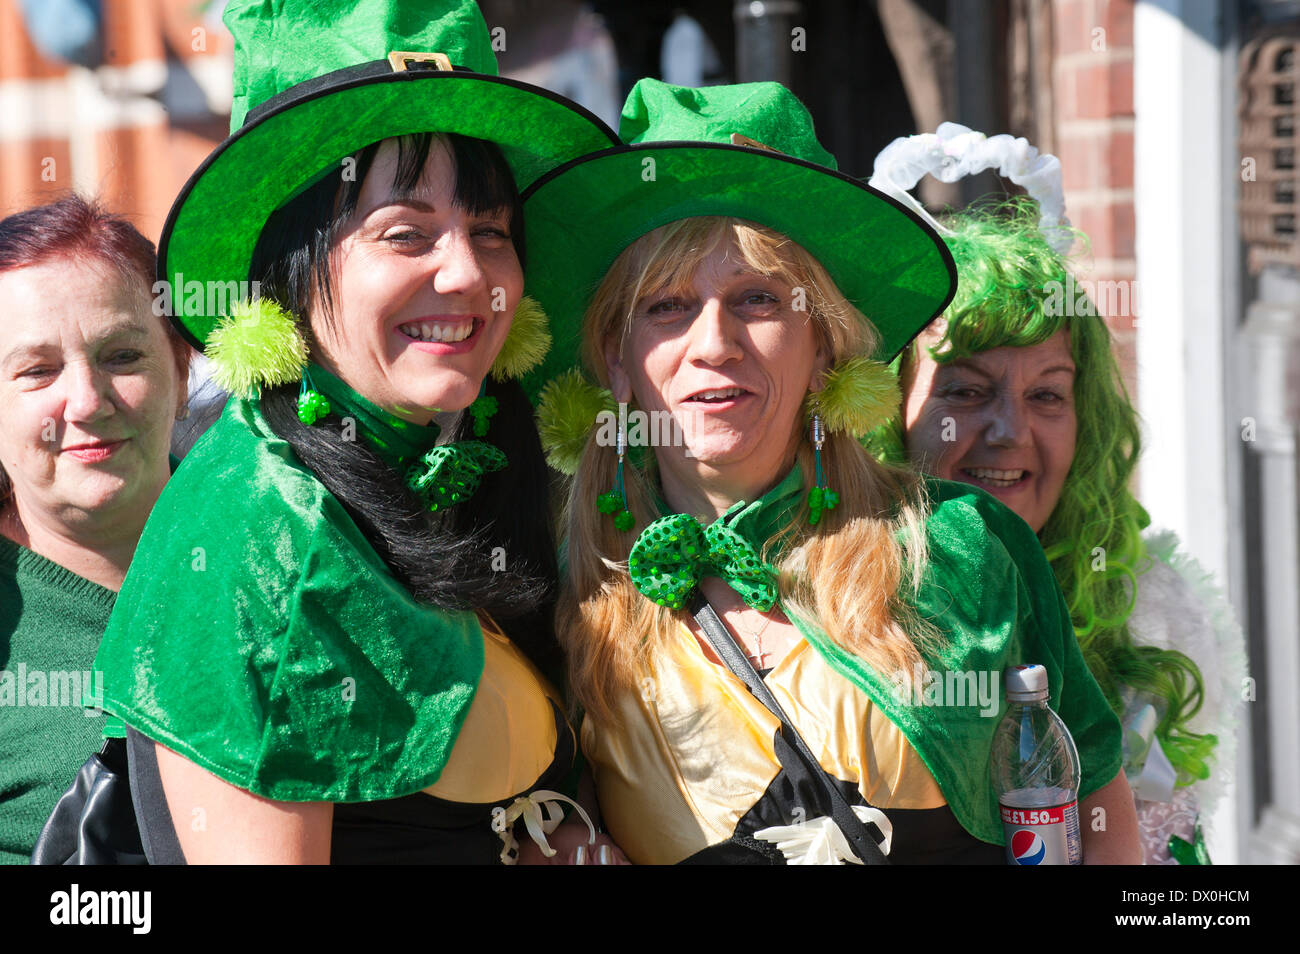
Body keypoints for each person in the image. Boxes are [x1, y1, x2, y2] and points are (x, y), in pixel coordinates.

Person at [524, 79, 1140, 864]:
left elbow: (1094, 802)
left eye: (756, 299)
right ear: (617, 360)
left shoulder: (963, 545)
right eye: (667, 306)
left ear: (824, 350)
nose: (714, 344)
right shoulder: (571, 590)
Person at [89, 0, 621, 864]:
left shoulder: (454, 467)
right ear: (291, 270)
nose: (467, 273)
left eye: (490, 232)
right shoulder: (258, 528)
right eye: (405, 234)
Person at [888, 197, 1245, 865]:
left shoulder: (1142, 625)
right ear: (887, 412)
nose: (1010, 432)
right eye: (965, 391)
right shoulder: (821, 611)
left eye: (1046, 395)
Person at [0, 195, 190, 864]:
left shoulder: (290, 556)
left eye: (122, 356)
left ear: (182, 368)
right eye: (37, 370)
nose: (84, 401)